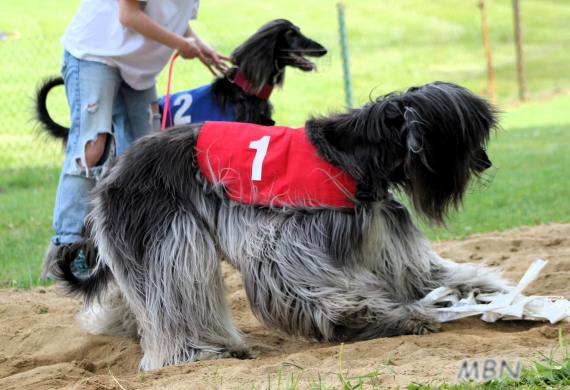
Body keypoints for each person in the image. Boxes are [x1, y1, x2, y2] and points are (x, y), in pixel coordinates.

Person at [41, 0, 229, 278]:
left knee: (145, 158)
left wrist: (197, 44)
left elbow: (170, 15)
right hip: (95, 54)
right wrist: (180, 43)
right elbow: (128, 15)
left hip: (137, 73)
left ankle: (132, 246)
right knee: (90, 150)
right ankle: (69, 251)